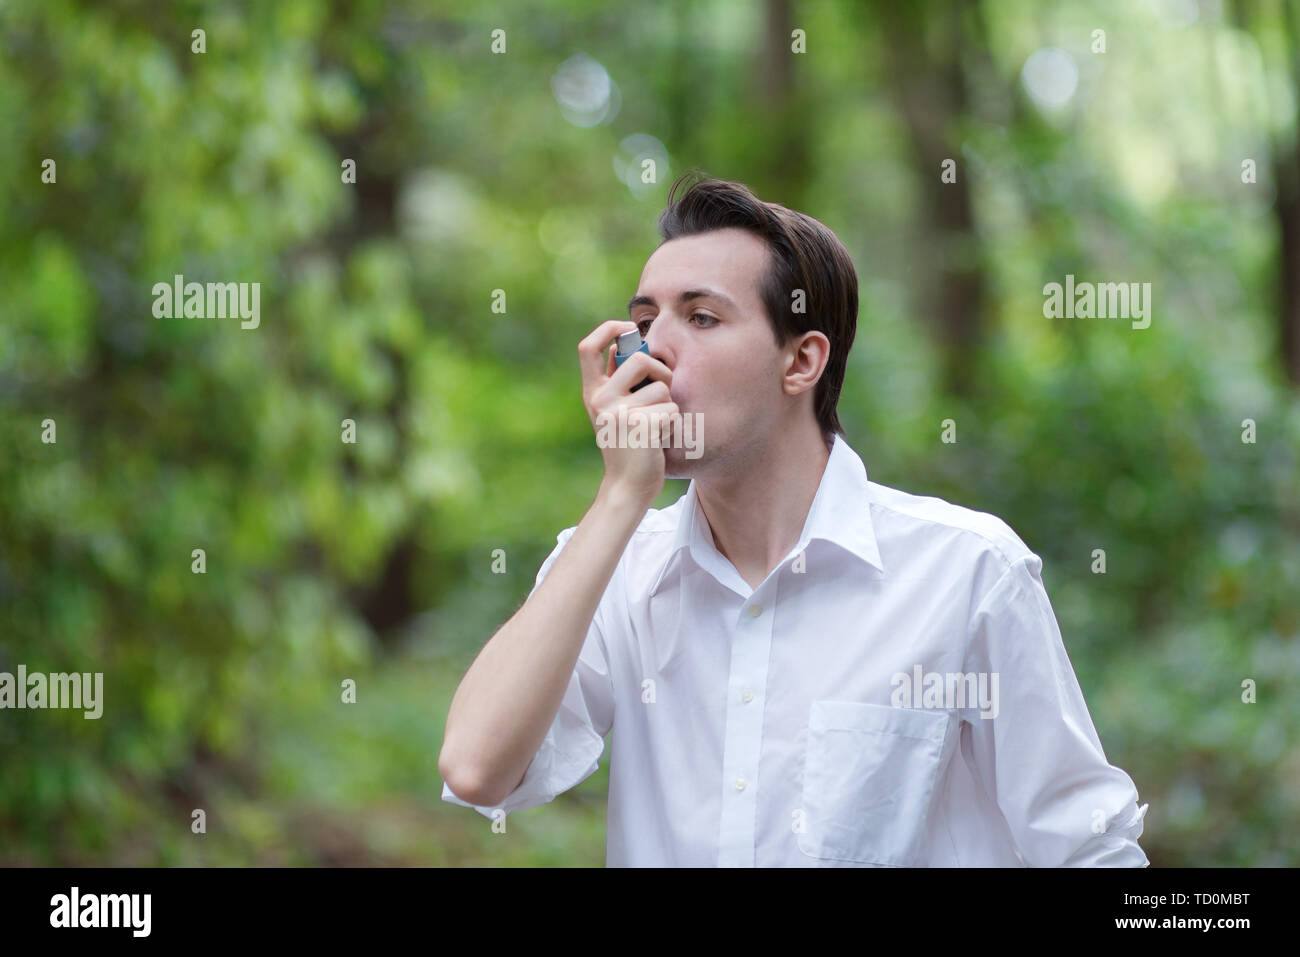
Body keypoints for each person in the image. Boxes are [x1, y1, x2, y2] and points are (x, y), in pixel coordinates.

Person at [438, 171, 1150, 867]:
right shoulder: (615, 565)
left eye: (703, 317)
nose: (653, 351)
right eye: (646, 322)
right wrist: (621, 497)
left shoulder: (966, 571)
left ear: (802, 361)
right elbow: (476, 769)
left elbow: (1090, 848)